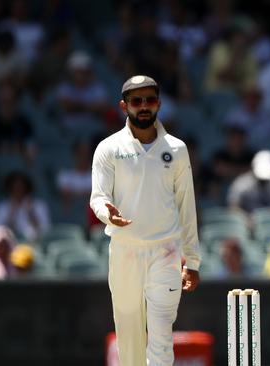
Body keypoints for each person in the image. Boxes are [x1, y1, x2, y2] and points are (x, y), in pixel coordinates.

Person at [90, 75, 201, 366]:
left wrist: (193, 262)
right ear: (123, 105)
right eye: (136, 101)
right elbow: (97, 196)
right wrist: (106, 212)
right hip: (125, 251)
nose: (143, 107)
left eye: (149, 100)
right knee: (129, 338)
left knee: (162, 335)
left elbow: (186, 206)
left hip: (166, 251)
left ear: (159, 104)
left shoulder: (176, 149)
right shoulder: (109, 148)